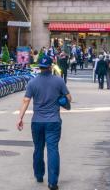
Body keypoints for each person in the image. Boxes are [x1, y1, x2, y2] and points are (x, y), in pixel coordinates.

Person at [17, 53, 71, 190]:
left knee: (38, 149)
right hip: (53, 121)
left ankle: (39, 175)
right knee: (53, 149)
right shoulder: (59, 81)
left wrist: (20, 118)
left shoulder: (32, 82)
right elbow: (69, 98)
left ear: (40, 67)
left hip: (37, 122)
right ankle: (52, 182)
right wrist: (60, 98)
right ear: (51, 66)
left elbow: (26, 101)